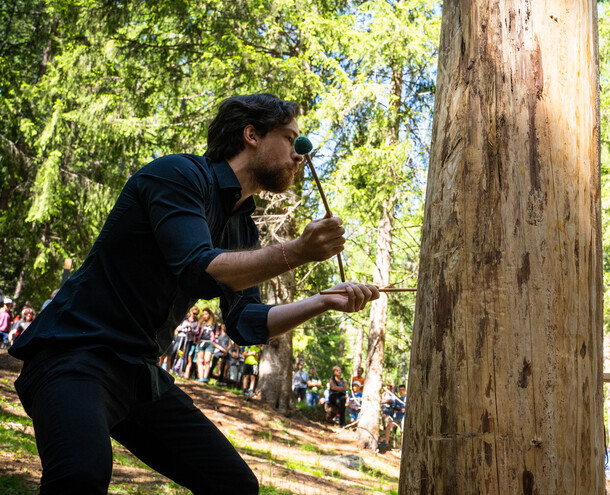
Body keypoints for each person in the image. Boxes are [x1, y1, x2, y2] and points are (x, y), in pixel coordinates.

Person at [8, 93, 380, 495]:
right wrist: (298, 252)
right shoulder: (177, 175)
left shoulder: (243, 229)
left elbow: (245, 323)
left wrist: (324, 301)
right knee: (79, 477)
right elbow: (196, 265)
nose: (299, 155)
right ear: (251, 134)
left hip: (138, 375)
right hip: (74, 355)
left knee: (234, 486)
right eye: (291, 139)